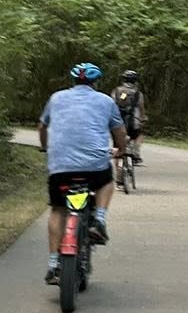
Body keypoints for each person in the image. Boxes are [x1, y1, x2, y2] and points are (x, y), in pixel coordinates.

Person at [39, 61, 128, 281]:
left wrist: (45, 147)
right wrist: (121, 151)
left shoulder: (56, 98)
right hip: (95, 166)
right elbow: (119, 131)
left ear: (73, 81)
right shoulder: (106, 101)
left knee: (58, 209)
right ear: (96, 82)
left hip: (60, 167)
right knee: (107, 180)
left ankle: (53, 265)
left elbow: (42, 126)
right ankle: (98, 219)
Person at [112, 69, 146, 163]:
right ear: (135, 81)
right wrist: (142, 118)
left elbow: (112, 104)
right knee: (139, 134)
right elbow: (141, 107)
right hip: (133, 122)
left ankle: (118, 172)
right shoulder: (138, 93)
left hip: (118, 121)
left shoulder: (117, 91)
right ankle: (136, 151)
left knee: (117, 146)